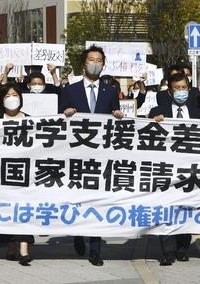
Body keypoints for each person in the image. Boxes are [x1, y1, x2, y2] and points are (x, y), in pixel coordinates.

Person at [58, 44, 124, 266]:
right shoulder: (70, 90)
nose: (95, 63)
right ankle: (78, 233)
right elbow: (57, 120)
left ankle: (96, 249)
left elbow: (115, 117)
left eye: (99, 60)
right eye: (91, 59)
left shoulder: (110, 91)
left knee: (97, 201)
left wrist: (117, 115)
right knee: (79, 199)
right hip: (77, 154)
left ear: (103, 65)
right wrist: (65, 114)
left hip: (102, 156)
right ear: (83, 64)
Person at [148, 72, 200, 266]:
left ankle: (183, 248)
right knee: (165, 208)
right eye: (177, 89)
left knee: (186, 208)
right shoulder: (159, 111)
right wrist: (153, 121)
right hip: (166, 169)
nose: (181, 92)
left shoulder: (199, 113)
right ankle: (167, 251)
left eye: (184, 88)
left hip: (190, 170)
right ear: (170, 91)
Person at [0, 82, 34, 266]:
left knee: (23, 207)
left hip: (24, 170)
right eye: (7, 95)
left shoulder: (31, 120)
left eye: (15, 95)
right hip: (2, 172)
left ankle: (24, 247)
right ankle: (11, 245)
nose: (11, 98)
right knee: (7, 208)